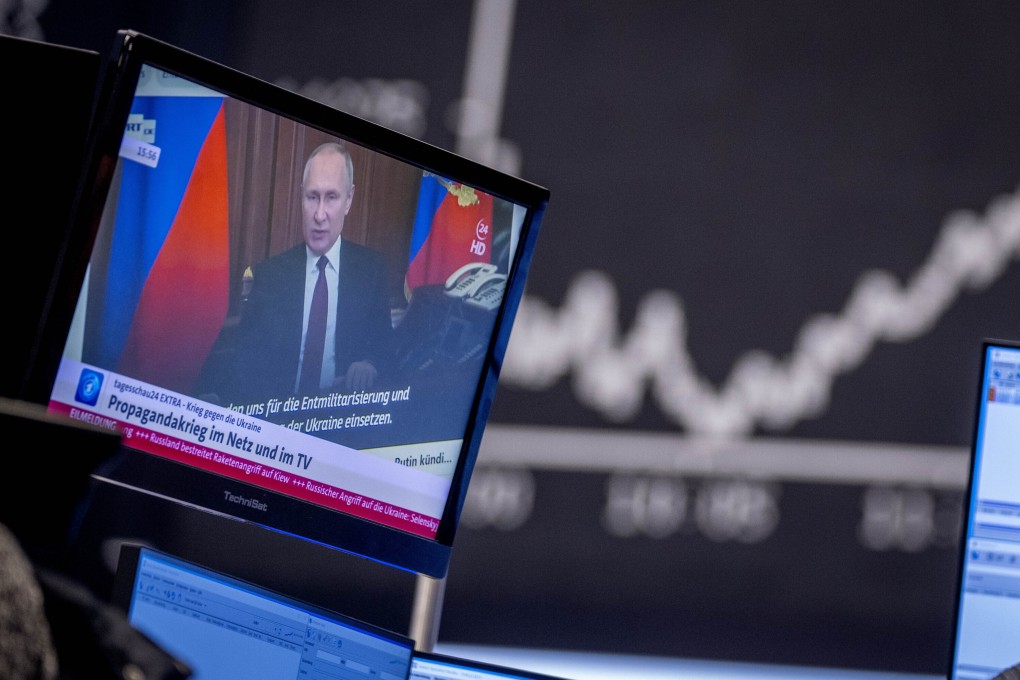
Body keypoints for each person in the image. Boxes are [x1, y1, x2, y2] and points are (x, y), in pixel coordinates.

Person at [200, 142, 394, 405]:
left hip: (343, 420)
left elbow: (386, 352)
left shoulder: (372, 271)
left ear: (349, 200)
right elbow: (242, 367)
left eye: (332, 197)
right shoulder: (268, 276)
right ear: (301, 196)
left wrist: (369, 364)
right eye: (312, 197)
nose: (319, 214)